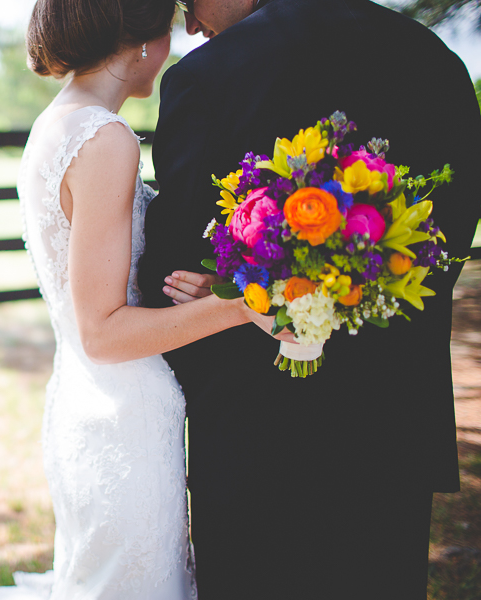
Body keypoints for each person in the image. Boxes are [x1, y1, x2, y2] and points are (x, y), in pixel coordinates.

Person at [0, 0, 292, 598]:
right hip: (122, 414)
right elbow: (103, 332)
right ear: (144, 42)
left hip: (82, 399)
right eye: (171, 24)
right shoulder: (105, 139)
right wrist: (239, 305)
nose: (181, 38)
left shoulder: (57, 123)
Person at [136, 0, 481, 598]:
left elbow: (174, 270)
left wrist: (248, 301)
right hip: (392, 421)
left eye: (191, 2)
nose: (190, 23)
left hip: (254, 430)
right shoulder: (434, 59)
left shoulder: (206, 75)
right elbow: (445, 245)